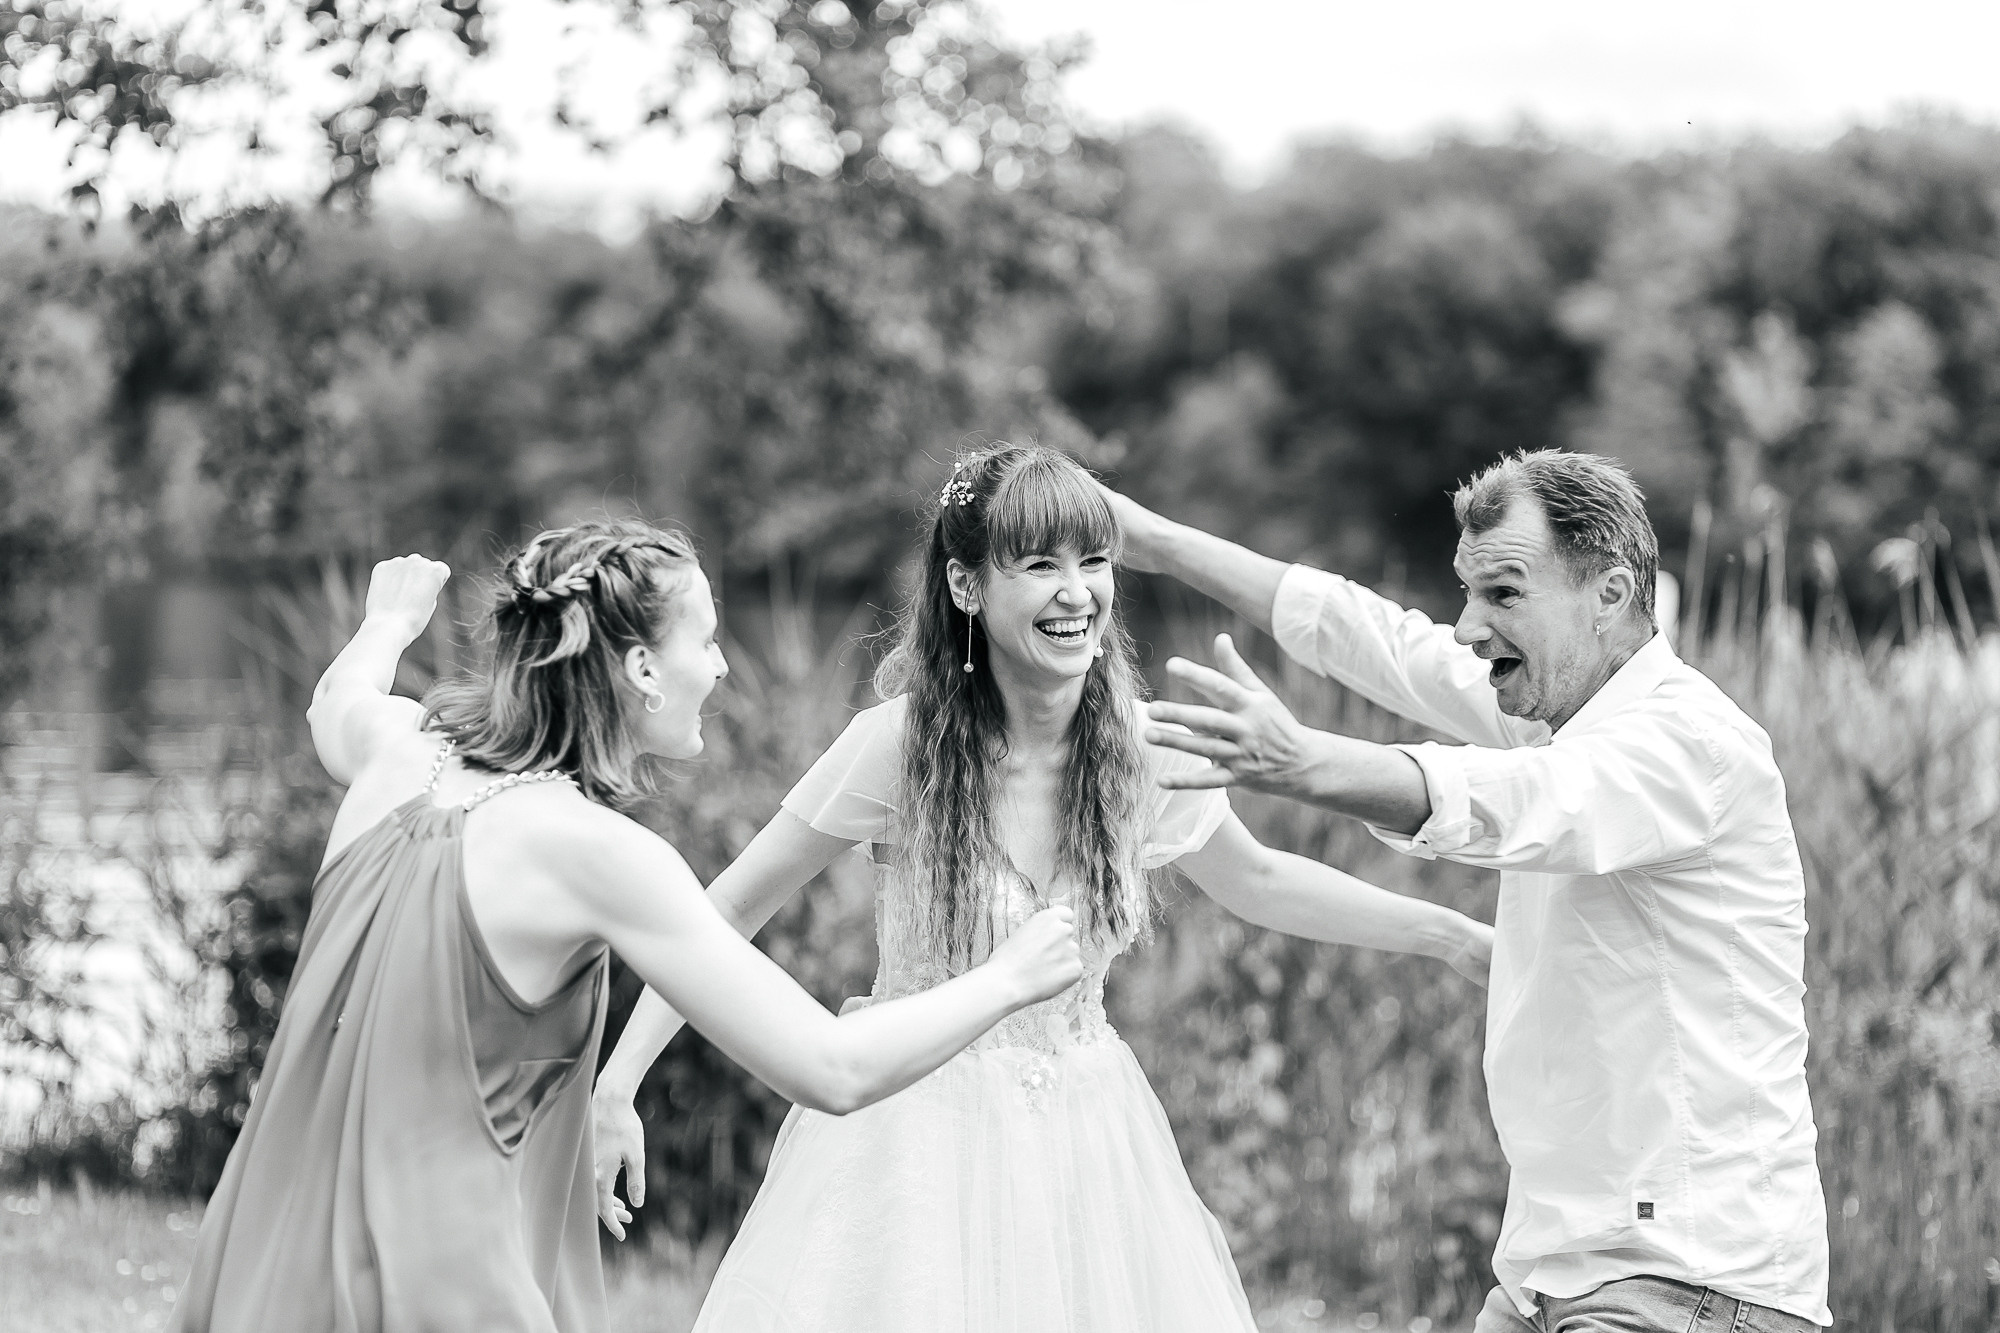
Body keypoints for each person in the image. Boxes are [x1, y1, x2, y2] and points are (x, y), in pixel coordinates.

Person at [591, 444, 1494, 1333]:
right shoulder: (898, 746)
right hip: (909, 1143)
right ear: (966, 586)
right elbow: (729, 911)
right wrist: (618, 1084)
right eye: (1039, 564)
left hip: (1088, 1140)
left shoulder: (1144, 749)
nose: (1077, 592)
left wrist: (1451, 934)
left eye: (1094, 560)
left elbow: (1258, 879)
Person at [172, 518, 1085, 1333]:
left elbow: (337, 697)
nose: (724, 665)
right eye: (710, 639)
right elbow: (832, 1068)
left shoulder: (397, 753)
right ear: (643, 669)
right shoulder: (599, 854)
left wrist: (390, 621)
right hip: (437, 1286)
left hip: (262, 1257)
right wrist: (1005, 978)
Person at [1104, 449, 1831, 1332]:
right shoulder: (1560, 711)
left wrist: (1304, 764)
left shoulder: (1691, 745)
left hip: (1688, 1280)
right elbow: (1370, 635)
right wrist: (1153, 539)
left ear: (1609, 591)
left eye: (1504, 593)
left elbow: (1520, 803)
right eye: (1467, 590)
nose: (1465, 625)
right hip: (1548, 1273)